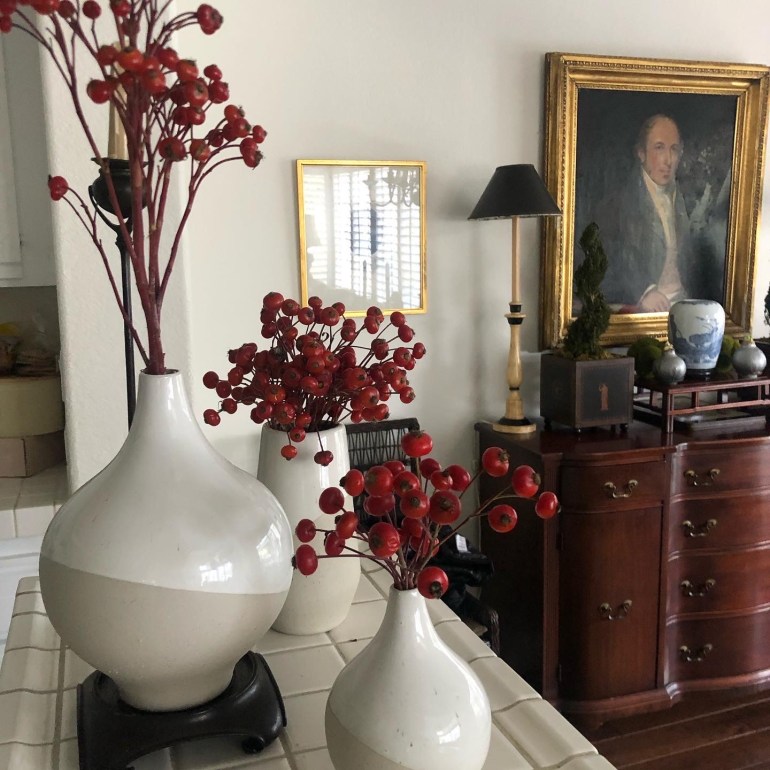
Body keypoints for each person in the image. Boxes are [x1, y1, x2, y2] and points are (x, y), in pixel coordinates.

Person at [598, 114, 698, 312]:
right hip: (645, 306)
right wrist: (645, 291)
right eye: (659, 148)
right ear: (641, 153)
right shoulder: (619, 202)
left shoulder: (687, 198)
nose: (668, 160)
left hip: (683, 303)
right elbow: (609, 261)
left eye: (674, 149)